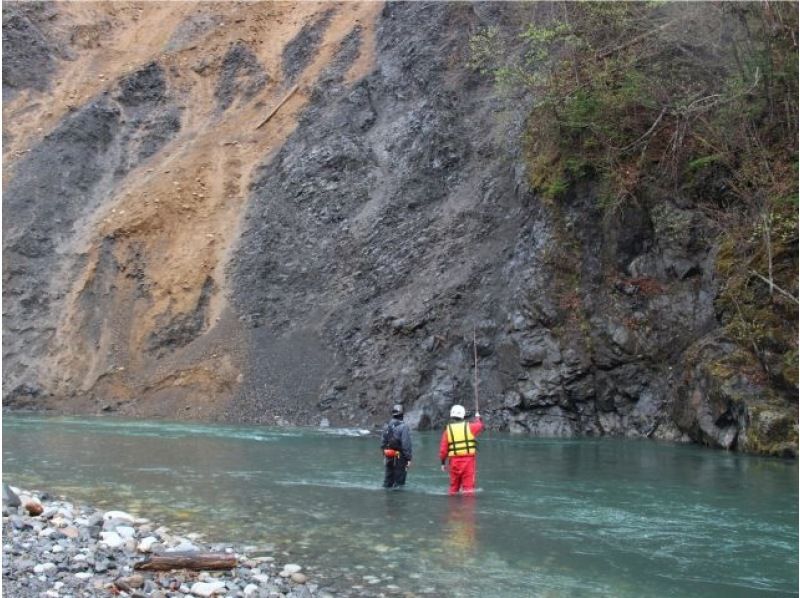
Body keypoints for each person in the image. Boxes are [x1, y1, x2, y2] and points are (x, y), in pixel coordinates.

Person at [439, 404, 484, 495]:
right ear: (463, 415)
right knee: (468, 489)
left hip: (454, 462)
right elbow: (480, 426)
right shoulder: (470, 427)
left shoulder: (447, 431)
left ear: (451, 415)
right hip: (468, 462)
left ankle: (453, 507)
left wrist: (443, 463)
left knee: (453, 488)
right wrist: (478, 418)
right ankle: (467, 508)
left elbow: (443, 451)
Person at [381, 404, 412, 488]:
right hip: (400, 458)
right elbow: (406, 444)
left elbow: (383, 443)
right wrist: (409, 458)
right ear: (402, 415)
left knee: (387, 482)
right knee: (399, 484)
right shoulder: (404, 427)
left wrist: (384, 454)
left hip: (388, 456)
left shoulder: (386, 426)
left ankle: (388, 500)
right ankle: (398, 500)